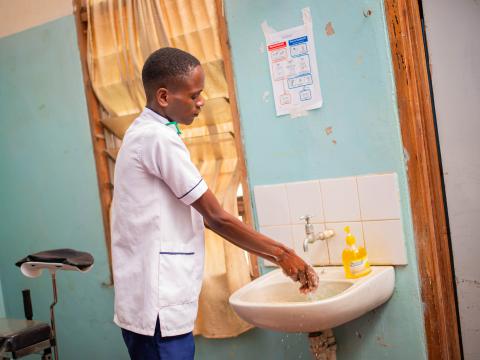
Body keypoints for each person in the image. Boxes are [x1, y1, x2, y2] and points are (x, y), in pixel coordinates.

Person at [111, 47, 318, 360]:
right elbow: (216, 216)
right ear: (164, 97)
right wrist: (283, 254)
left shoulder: (150, 134)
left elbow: (207, 216)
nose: (201, 101)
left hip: (157, 302)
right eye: (194, 95)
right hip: (157, 305)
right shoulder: (156, 139)